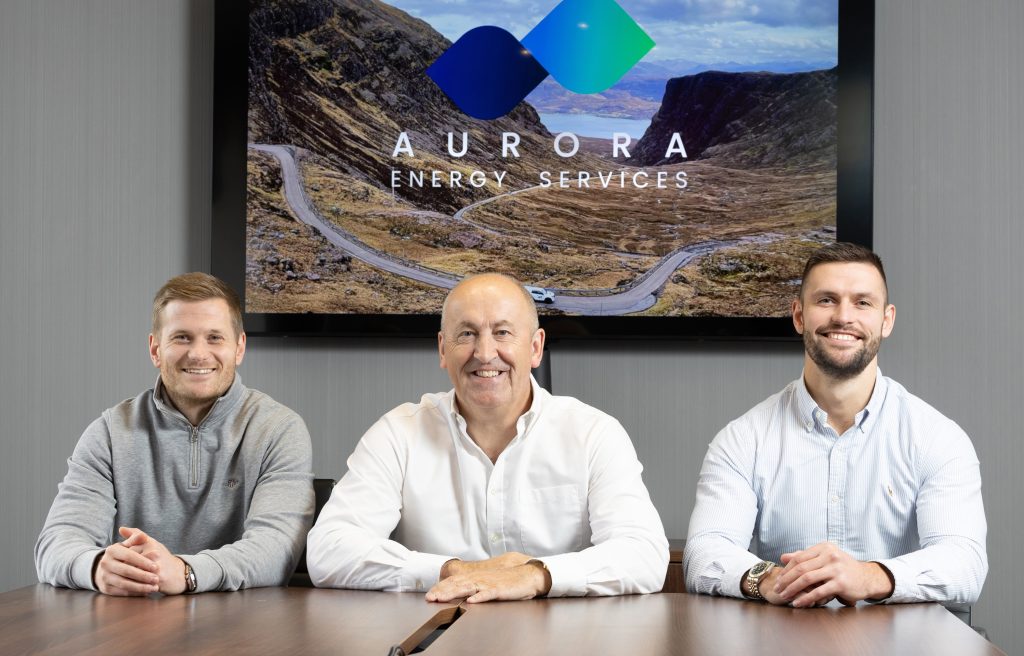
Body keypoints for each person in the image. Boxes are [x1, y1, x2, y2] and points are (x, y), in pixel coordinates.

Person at [307, 273, 668, 602]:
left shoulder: (593, 434)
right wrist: (454, 571)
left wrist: (536, 576)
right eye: (466, 333)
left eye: (503, 332)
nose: (484, 353)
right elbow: (329, 550)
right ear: (442, 350)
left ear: (535, 347)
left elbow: (643, 553)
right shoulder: (398, 433)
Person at [684, 243, 987, 607]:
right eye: (826, 300)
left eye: (863, 303)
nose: (844, 317)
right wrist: (768, 579)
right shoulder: (743, 439)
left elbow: (965, 563)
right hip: (782, 642)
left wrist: (870, 576)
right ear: (799, 316)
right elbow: (704, 554)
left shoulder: (937, 438)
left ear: (886, 320)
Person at [35, 272, 314, 595]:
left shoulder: (279, 429)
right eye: (182, 337)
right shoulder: (109, 432)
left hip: (241, 628)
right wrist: (96, 566)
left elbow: (276, 551)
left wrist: (184, 572)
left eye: (214, 337)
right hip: (130, 625)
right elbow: (56, 544)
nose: (198, 353)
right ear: (155, 349)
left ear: (239, 348)